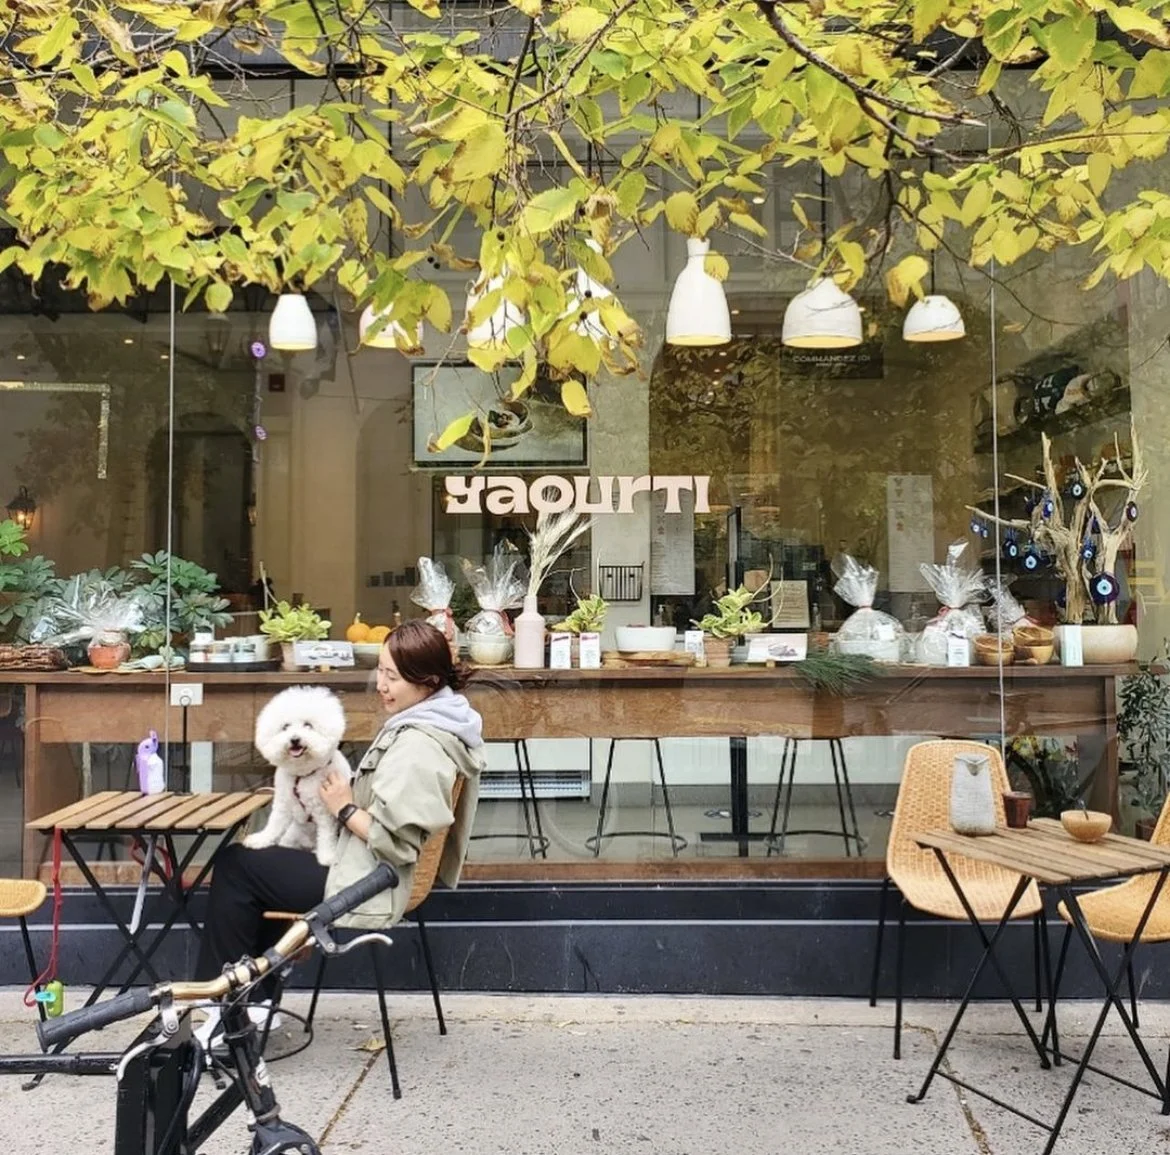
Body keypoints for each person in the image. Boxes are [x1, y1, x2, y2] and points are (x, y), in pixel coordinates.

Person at [193, 620, 484, 1043]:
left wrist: (343, 807)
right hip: (363, 865)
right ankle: (255, 1002)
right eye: (380, 671)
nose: (381, 685)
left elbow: (398, 843)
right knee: (264, 864)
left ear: (428, 681)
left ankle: (225, 1005)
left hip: (371, 880)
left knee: (239, 867)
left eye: (393, 677)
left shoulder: (420, 744)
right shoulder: (439, 720)